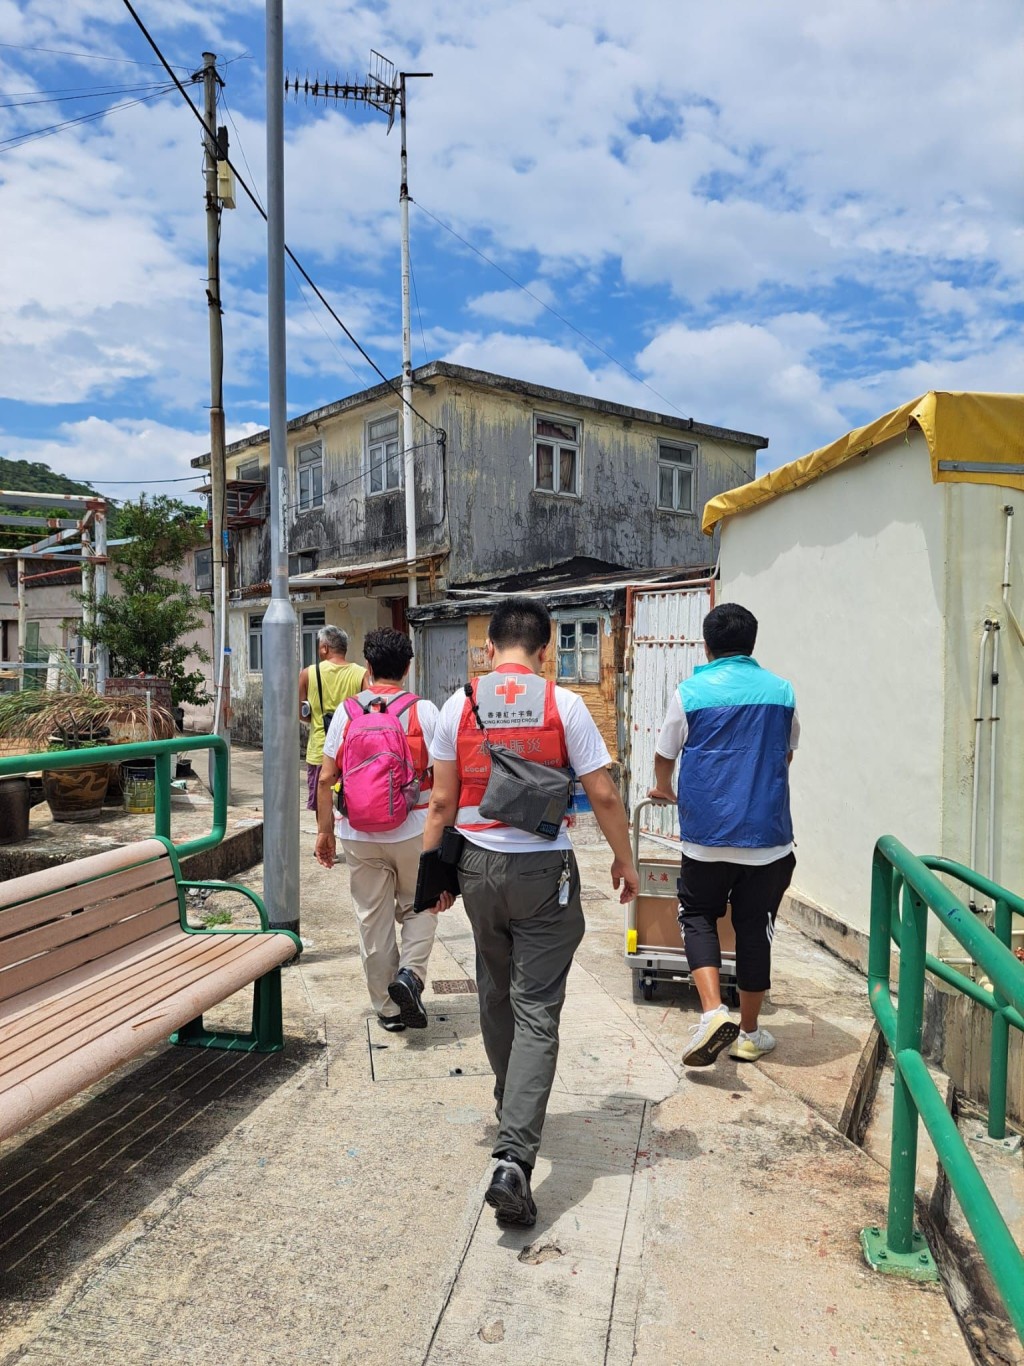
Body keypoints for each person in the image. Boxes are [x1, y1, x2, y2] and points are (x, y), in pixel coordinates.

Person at [425, 597, 639, 1228]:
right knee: (536, 1006)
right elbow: (601, 789)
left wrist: (433, 880)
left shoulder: (456, 704)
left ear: (488, 650)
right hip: (544, 872)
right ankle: (514, 1155)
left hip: (475, 868)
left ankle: (508, 1100)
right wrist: (625, 862)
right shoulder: (563, 704)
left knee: (495, 992)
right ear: (545, 650)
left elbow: (440, 802)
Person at [649, 601, 798, 1069]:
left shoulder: (690, 692)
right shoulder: (782, 691)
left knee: (697, 915)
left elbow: (665, 752)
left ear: (707, 645)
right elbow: (787, 752)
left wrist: (661, 788)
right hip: (769, 839)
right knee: (756, 931)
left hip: (706, 836)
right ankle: (750, 1034)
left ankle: (713, 1013)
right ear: (752, 643)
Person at [314, 628, 439, 1032]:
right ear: (407, 668)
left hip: (358, 831)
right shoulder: (424, 711)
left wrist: (324, 832)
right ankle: (411, 976)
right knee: (421, 905)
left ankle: (388, 1009)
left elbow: (325, 777)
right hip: (414, 828)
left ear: (367, 666)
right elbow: (445, 779)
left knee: (373, 920)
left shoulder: (348, 714)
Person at [300, 626, 367, 812]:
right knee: (350, 803)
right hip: (351, 750)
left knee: (323, 805)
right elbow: (370, 711)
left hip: (320, 749)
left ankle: (325, 837)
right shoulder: (361, 673)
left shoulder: (308, 673)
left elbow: (300, 712)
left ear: (324, 648)